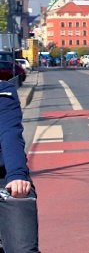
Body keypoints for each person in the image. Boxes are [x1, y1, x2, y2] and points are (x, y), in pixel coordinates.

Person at [0, 79, 39, 252]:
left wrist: (16, 175)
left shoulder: (3, 90)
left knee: (22, 248)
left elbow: (9, 132)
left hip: (6, 177)